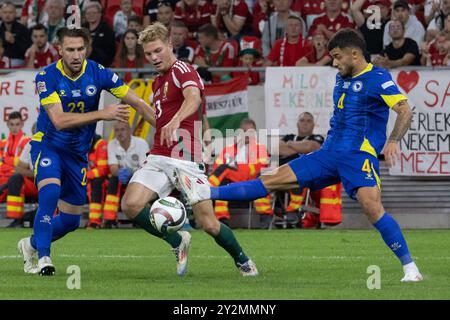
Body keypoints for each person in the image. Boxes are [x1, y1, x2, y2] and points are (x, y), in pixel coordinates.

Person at [177, 28, 423, 282]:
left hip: (357, 155)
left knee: (372, 209)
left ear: (354, 54)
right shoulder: (342, 78)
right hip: (327, 154)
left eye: (338, 57)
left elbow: (404, 110)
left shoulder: (377, 77)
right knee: (272, 179)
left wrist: (393, 140)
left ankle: (410, 269)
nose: (334, 63)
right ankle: (207, 192)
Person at [120, 22, 258, 277]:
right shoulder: (157, 82)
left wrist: (175, 121)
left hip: (186, 157)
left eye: (157, 51)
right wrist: (140, 107)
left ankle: (243, 260)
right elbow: (160, 120)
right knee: (130, 205)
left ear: (170, 45)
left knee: (208, 223)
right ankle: (177, 241)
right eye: (148, 54)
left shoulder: (182, 69)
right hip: (160, 155)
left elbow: (193, 98)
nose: (153, 57)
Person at [17, 27, 156, 276]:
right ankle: (44, 258)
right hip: (49, 145)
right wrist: (103, 114)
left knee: (71, 221)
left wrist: (169, 129)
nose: (76, 55)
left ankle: (30, 245)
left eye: (80, 49)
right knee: (50, 191)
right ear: (59, 50)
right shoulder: (46, 76)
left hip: (77, 154)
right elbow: (58, 120)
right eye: (70, 49)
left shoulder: (98, 72)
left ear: (87, 49)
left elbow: (137, 102)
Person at [208, 118, 273, 228]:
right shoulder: (228, 149)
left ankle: (206, 189)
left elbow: (262, 167)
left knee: (262, 177)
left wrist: (240, 165)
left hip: (252, 179)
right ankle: (222, 219)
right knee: (223, 175)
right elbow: (216, 168)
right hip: (232, 180)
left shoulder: (260, 148)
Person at [103, 121, 148, 228]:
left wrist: (132, 173)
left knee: (141, 182)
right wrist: (120, 172)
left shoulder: (141, 143)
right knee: (112, 180)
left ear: (129, 131)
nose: (119, 133)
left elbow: (145, 168)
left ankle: (139, 217)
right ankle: (110, 219)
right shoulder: (112, 144)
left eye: (123, 129)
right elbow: (113, 167)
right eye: (117, 130)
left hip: (139, 175)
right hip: (122, 176)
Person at [0, 112, 32, 226]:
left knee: (15, 179)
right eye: (12, 124)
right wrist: (13, 163)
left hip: (19, 180)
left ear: (22, 124)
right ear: (7, 124)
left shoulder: (27, 141)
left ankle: (15, 220)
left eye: (17, 124)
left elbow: (24, 165)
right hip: (4, 178)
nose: (15, 128)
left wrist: (5, 160)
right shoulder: (3, 143)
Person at [82, 1, 116, 67]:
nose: (91, 15)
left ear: (100, 14)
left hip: (101, 65)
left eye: (94, 13)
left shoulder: (107, 30)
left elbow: (110, 54)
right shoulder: (81, 29)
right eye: (88, 13)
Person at [86, 134, 109, 229]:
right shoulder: (85, 145)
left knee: (95, 184)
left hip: (105, 178)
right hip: (90, 178)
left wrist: (84, 175)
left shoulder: (101, 145)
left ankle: (95, 222)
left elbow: (102, 170)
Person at [0, 1, 32, 68]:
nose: (7, 15)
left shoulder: (23, 29)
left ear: (15, 14)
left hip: (18, 60)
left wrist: (14, 41)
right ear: (1, 14)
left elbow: (27, 50)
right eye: (5, 12)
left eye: (10, 12)